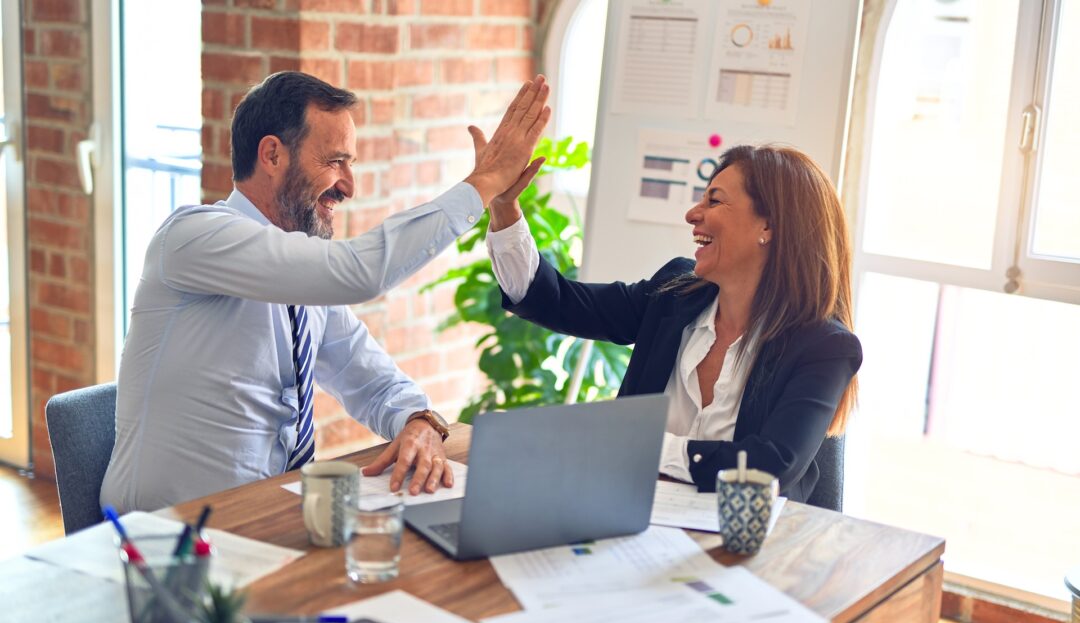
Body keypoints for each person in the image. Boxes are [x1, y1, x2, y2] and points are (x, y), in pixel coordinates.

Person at [101, 71, 550, 512]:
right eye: (336, 161)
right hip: (165, 540)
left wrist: (419, 420)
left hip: (267, 520)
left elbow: (371, 379)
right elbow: (360, 272)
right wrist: (485, 183)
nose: (349, 186)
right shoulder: (194, 237)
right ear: (273, 155)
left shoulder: (302, 280)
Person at [485, 144, 861, 502]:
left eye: (714, 200)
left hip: (747, 550)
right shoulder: (674, 295)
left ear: (769, 226)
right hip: (631, 520)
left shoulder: (824, 347)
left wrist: (642, 446)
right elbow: (556, 301)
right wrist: (504, 207)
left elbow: (769, 468)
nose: (693, 214)